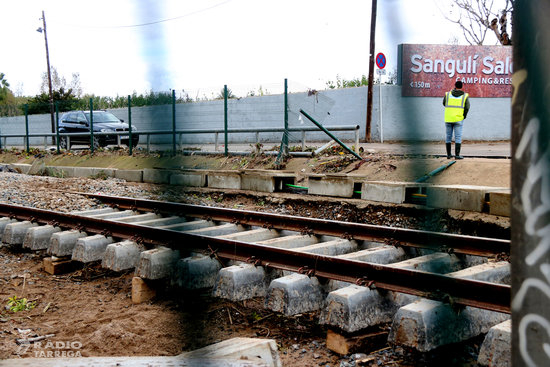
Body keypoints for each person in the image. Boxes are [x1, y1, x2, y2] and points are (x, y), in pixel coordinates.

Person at [442, 80, 470, 159]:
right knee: (458, 137)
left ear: (455, 86)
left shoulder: (448, 94)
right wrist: (464, 115)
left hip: (448, 118)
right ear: (462, 87)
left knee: (448, 136)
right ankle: (457, 155)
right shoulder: (465, 96)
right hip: (458, 119)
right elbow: (467, 107)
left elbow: (444, 103)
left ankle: (448, 155)